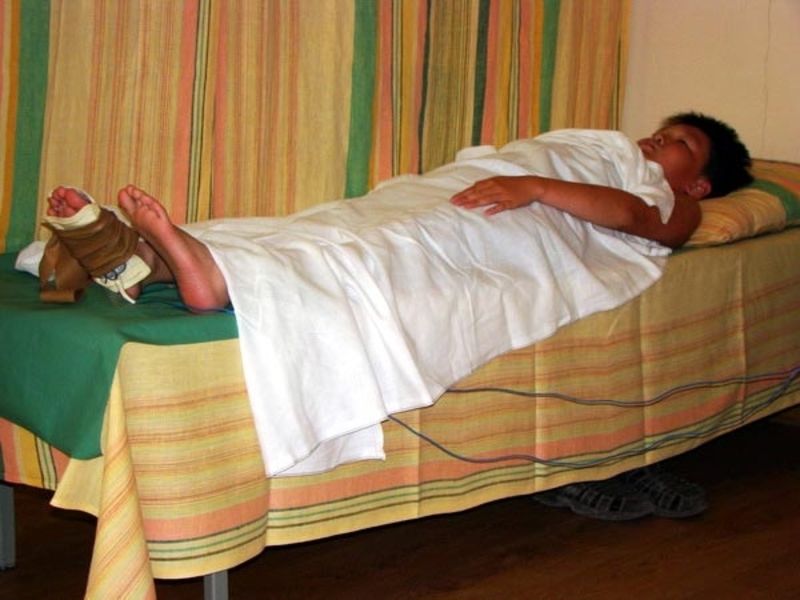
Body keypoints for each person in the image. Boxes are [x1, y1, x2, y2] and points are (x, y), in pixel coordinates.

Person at [39, 111, 752, 488]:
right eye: (664, 128)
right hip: (482, 188)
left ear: (699, 184)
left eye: (681, 142)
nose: (659, 137)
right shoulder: (598, 145)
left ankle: (203, 271)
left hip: (527, 218)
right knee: (338, 225)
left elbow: (638, 221)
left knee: (398, 245)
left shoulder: (678, 204)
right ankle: (153, 262)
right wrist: (524, 171)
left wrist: (533, 187)